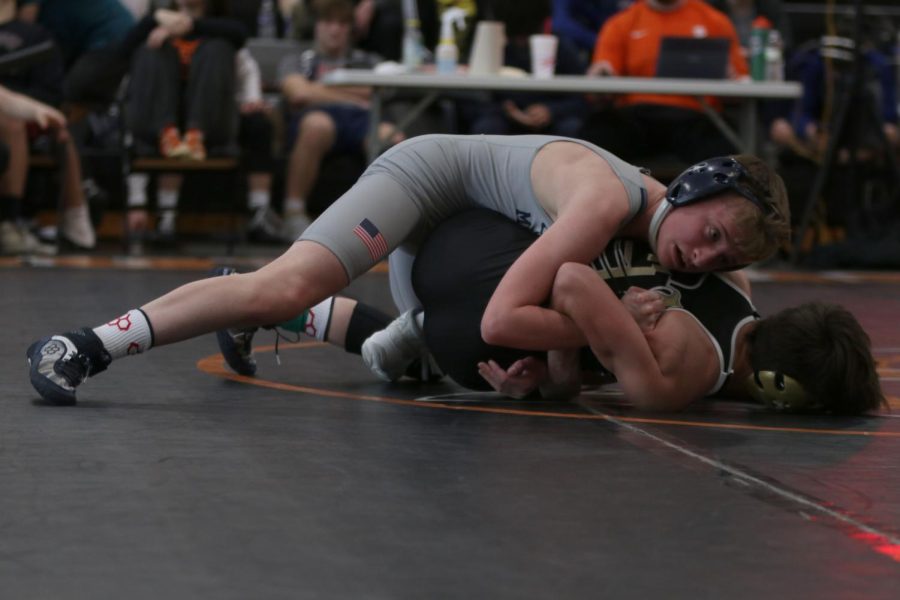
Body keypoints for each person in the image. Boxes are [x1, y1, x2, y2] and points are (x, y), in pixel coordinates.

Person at [26, 134, 790, 405]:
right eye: (715, 233)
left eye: (731, 256)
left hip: (471, 240)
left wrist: (551, 373)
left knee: (457, 361)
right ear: (693, 188)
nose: (709, 256)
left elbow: (547, 336)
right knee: (289, 279)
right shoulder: (603, 200)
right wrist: (595, 335)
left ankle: (293, 319)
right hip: (427, 187)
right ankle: (85, 345)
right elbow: (507, 315)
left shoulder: (669, 245)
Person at [368, 208, 885, 415]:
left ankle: (329, 320)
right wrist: (571, 358)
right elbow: (571, 282)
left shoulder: (735, 281)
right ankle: (418, 333)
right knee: (487, 357)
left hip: (476, 228)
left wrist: (575, 358)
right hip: (474, 296)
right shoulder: (683, 371)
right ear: (779, 388)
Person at [276, 0, 400, 238]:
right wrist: (355, 95)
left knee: (391, 137)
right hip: (319, 119)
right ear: (317, 26)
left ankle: (388, 219)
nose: (335, 29)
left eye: (342, 24)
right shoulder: (300, 60)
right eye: (328, 22)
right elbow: (299, 92)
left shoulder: (369, 60)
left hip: (362, 121)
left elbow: (384, 90)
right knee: (316, 126)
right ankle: (293, 212)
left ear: (351, 29)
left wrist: (319, 90)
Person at [582, 0, 749, 165]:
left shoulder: (714, 21)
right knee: (597, 136)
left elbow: (741, 85)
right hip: (636, 117)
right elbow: (601, 82)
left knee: (723, 151)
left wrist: (730, 80)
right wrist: (601, 76)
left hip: (696, 116)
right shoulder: (621, 23)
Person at [0, 0, 96, 252]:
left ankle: (9, 221)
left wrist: (31, 108)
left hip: (18, 122)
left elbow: (50, 94)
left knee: (12, 120)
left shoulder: (36, 36)